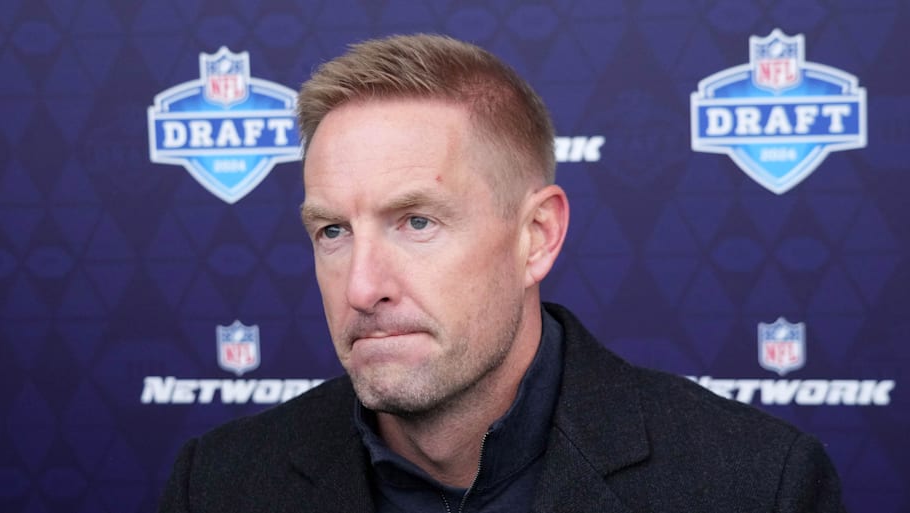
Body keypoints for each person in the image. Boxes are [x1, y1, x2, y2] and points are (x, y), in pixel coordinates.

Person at [158, 34, 845, 512]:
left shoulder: (756, 485)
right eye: (333, 231)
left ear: (536, 236)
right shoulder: (217, 486)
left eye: (416, 222)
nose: (362, 287)